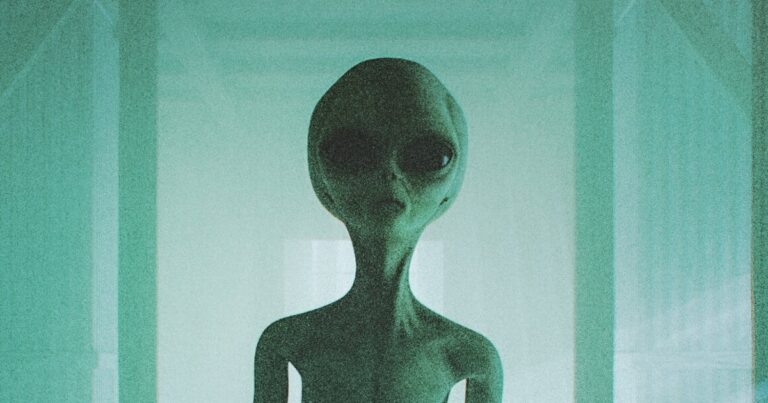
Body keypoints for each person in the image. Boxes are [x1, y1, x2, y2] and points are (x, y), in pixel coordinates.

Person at [254, 58, 502, 402]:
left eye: (428, 156)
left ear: (448, 189)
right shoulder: (287, 342)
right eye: (352, 152)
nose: (388, 173)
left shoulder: (468, 355)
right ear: (322, 179)